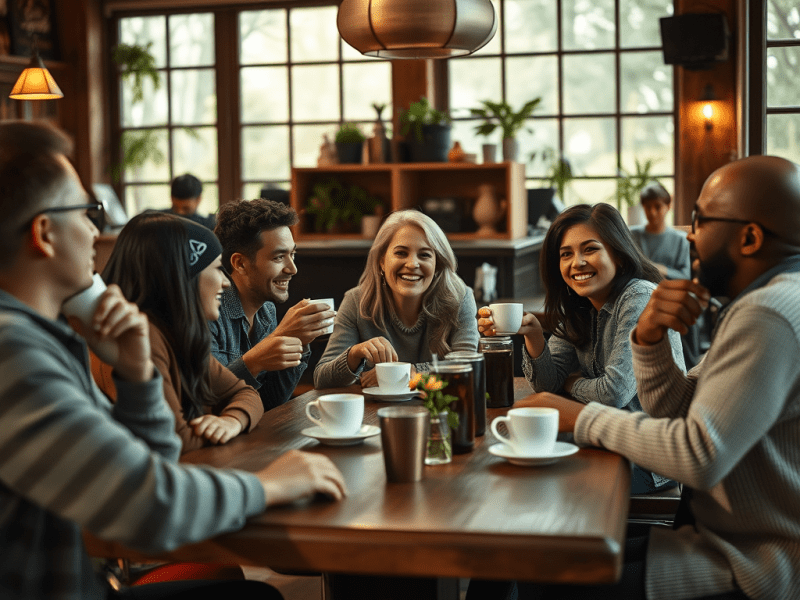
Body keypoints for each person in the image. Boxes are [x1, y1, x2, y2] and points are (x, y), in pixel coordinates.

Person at [0, 120, 346, 599]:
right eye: (86, 211)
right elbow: (150, 506)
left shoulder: (45, 340)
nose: (94, 228)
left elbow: (151, 464)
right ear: (44, 233)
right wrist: (272, 485)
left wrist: (138, 375)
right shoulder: (14, 354)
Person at [516, 155, 800, 600]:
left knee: (541, 579)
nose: (689, 235)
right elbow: (679, 407)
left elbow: (700, 455)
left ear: (749, 237)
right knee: (539, 558)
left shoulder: (770, 314)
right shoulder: (765, 302)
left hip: (756, 567)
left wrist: (578, 416)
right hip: (723, 543)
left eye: (700, 221)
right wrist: (648, 342)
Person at [478, 203, 685, 494]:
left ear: (619, 254)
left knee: (544, 483)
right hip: (604, 440)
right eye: (566, 254)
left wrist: (572, 383)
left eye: (590, 249)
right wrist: (534, 335)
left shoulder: (639, 297)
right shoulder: (579, 305)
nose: (577, 263)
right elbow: (547, 383)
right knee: (511, 465)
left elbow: (613, 393)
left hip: (652, 457)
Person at [93, 212, 264, 452]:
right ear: (182, 276)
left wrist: (232, 421)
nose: (225, 282)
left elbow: (245, 392)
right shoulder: (140, 338)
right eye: (216, 269)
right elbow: (177, 441)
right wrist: (220, 431)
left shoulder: (177, 333)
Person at [314, 209, 479, 389]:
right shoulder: (356, 300)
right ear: (382, 261)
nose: (412, 264)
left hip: (441, 412)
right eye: (401, 253)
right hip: (374, 414)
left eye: (424, 255)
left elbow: (467, 370)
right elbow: (321, 379)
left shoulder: (460, 297)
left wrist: (408, 373)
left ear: (437, 264)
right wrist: (354, 354)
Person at [211, 198, 334, 410]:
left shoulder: (266, 310)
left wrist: (299, 341)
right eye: (279, 257)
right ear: (240, 263)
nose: (292, 268)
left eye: (292, 254)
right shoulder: (209, 311)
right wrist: (266, 350)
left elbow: (271, 402)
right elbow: (209, 400)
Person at [630, 182, 701, 367]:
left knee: (684, 305)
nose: (652, 212)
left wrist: (660, 269)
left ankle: (689, 365)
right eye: (647, 207)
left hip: (670, 292)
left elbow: (685, 276)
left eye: (657, 207)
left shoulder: (680, 240)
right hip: (639, 293)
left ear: (668, 207)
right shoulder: (633, 236)